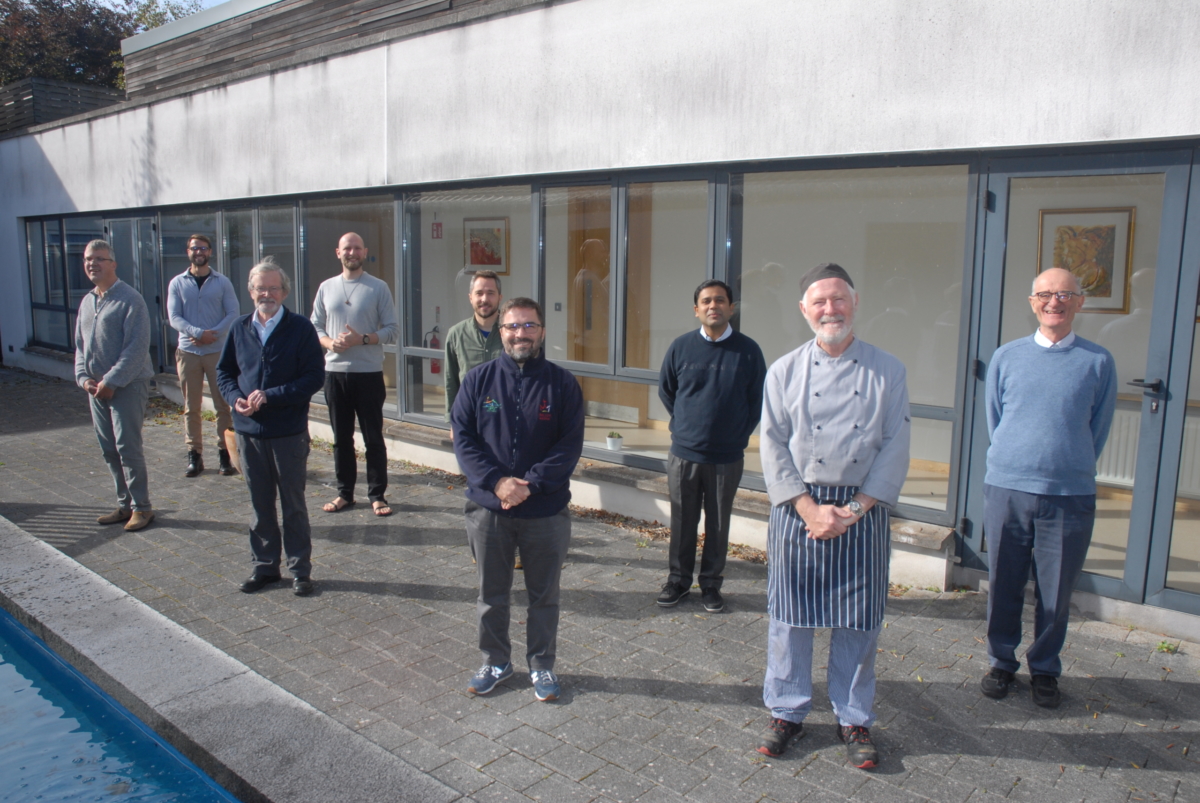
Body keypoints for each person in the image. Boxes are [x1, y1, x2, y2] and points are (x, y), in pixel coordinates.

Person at [757, 263, 910, 770]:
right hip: (798, 506)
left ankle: (853, 717)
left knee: (859, 622)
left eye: (838, 299)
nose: (830, 309)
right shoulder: (782, 371)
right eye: (819, 301)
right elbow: (773, 445)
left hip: (860, 509)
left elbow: (895, 447)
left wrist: (852, 509)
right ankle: (787, 711)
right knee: (789, 619)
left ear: (855, 302)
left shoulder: (888, 370)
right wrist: (806, 505)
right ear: (804, 309)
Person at [981, 267, 1117, 708]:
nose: (1053, 302)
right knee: (1004, 581)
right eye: (1044, 294)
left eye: (1064, 294)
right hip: (1008, 487)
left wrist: (1065, 463)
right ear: (1032, 302)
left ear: (1079, 302)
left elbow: (1097, 429)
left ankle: (1044, 669)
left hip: (1068, 492)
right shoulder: (1006, 356)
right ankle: (1001, 662)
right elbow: (995, 419)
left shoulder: (1097, 362)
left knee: (1056, 590)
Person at [451, 298, 584, 702]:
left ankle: (542, 664)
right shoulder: (478, 380)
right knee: (491, 594)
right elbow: (463, 437)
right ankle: (496, 661)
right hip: (489, 510)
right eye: (512, 326)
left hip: (545, 510)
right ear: (501, 332)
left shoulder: (563, 384)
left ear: (542, 332)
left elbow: (569, 445)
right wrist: (496, 483)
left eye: (529, 326)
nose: (520, 333)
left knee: (544, 596)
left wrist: (528, 484)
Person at [656, 279, 766, 612]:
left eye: (720, 300)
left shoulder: (748, 351)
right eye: (706, 301)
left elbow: (757, 400)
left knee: (718, 523)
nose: (713, 306)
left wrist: (734, 433)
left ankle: (711, 585)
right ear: (696, 310)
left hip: (726, 457)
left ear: (731, 308)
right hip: (685, 454)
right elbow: (667, 390)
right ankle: (677, 581)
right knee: (682, 521)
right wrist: (688, 426)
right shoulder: (681, 346)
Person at [218, 258, 325, 596]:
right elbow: (224, 373)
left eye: (273, 288)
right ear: (251, 292)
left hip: (288, 433)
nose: (267, 293)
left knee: (293, 504)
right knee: (259, 504)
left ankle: (299, 571)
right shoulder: (239, 328)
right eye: (260, 288)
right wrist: (235, 397)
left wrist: (271, 396)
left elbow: (313, 378)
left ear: (284, 292)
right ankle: (265, 567)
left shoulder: (300, 328)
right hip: (249, 433)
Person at [311, 232, 399, 517]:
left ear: (365, 252)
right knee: (341, 438)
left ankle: (377, 495)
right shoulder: (326, 288)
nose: (352, 252)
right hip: (335, 373)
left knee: (373, 438)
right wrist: (330, 343)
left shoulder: (378, 287)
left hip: (369, 373)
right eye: (347, 248)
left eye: (357, 248)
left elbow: (392, 330)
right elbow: (316, 327)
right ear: (338, 252)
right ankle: (344, 493)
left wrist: (362, 339)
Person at [75, 239, 156, 532]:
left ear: (113, 264)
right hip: (96, 390)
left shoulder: (130, 299)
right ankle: (124, 504)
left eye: (99, 259)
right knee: (108, 448)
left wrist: (111, 381)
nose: (92, 264)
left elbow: (137, 348)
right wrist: (84, 378)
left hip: (127, 386)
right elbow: (80, 347)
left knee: (127, 447)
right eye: (87, 259)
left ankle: (142, 508)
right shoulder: (87, 302)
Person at [166, 233, 240, 477]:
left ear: (210, 252)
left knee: (223, 406)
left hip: (216, 351)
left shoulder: (222, 282)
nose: (199, 252)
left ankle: (225, 455)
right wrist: (197, 332)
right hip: (188, 352)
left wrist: (214, 334)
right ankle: (194, 455)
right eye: (194, 248)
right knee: (191, 406)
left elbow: (233, 312)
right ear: (188, 252)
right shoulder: (177, 283)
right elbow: (174, 317)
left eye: (203, 248)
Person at [444, 270, 504, 427]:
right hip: (469, 420)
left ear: (500, 297)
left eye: (491, 293)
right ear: (471, 297)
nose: (485, 299)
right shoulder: (456, 334)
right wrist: (452, 422)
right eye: (479, 293)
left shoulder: (512, 334)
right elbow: (451, 381)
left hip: (505, 420)